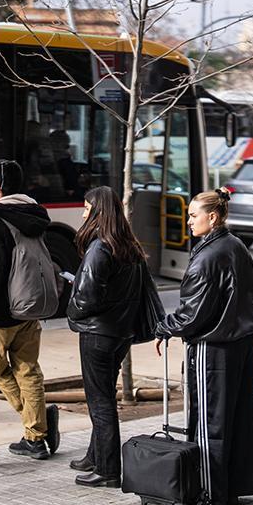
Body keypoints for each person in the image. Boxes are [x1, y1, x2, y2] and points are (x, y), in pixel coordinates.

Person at [156, 188, 253, 505]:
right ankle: (232, 485)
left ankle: (208, 490)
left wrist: (163, 328)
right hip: (241, 341)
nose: (188, 221)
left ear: (212, 217)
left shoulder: (208, 255)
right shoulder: (235, 246)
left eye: (193, 215)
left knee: (209, 421)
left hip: (214, 346)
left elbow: (192, 315)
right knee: (238, 417)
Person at [67, 186, 148, 487]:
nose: (83, 213)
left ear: (98, 212)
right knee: (103, 396)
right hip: (119, 333)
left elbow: (87, 299)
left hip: (98, 334)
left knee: (100, 402)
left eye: (86, 208)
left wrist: (72, 311)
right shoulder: (128, 245)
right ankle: (95, 456)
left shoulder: (99, 248)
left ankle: (108, 470)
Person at [0, 160, 54, 461]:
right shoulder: (36, 214)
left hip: (3, 311)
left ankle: (36, 425)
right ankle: (35, 435)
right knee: (28, 370)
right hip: (31, 306)